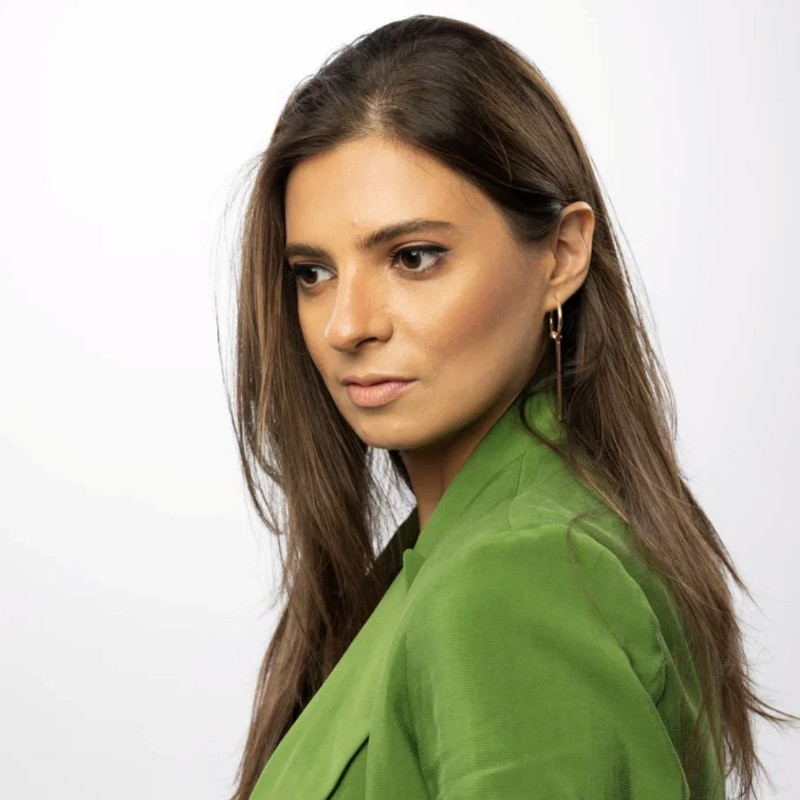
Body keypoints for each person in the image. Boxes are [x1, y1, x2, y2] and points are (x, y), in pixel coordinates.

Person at [222, 14, 797, 800]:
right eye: (313, 273)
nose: (346, 326)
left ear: (561, 255)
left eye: (413, 257)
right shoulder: (462, 547)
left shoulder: (516, 575)